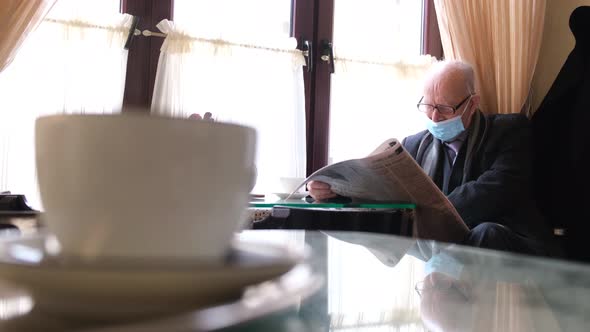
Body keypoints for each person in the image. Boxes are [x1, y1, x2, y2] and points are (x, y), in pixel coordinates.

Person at [309, 60, 558, 256]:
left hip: (509, 242)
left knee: (485, 233)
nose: (435, 117)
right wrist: (333, 191)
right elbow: (383, 191)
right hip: (443, 254)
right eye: (428, 106)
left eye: (445, 108)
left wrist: (430, 215)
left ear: (472, 104)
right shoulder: (414, 145)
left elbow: (496, 189)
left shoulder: (510, 130)